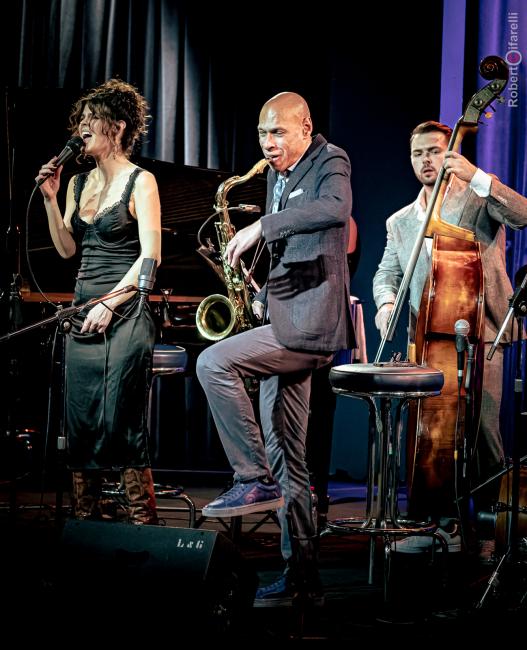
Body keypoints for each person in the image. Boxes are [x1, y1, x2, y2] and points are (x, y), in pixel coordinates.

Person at [196, 91, 354, 605]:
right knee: (291, 457)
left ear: (305, 127)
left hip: (311, 327)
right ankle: (302, 576)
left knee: (213, 360)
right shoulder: (275, 177)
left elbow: (334, 211)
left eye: (279, 132)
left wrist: (261, 226)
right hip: (287, 313)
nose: (269, 143)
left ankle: (250, 476)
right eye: (263, 134)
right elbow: (296, 254)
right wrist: (261, 292)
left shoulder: (330, 160)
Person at [373, 120, 527, 551]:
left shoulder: (477, 198)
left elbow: (523, 215)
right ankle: (442, 524)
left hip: (482, 334)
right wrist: (386, 303)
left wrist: (477, 176)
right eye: (419, 153)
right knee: (433, 439)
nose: (427, 160)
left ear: (451, 153)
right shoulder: (400, 221)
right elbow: (387, 273)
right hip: (429, 342)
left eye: (436, 151)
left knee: (483, 434)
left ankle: (498, 532)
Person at [36, 79, 162, 525]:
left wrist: (110, 303)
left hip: (125, 307)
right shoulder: (77, 183)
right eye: (80, 121)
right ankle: (86, 527)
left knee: (121, 415)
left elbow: (151, 256)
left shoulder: (141, 182)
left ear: (118, 127)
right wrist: (52, 201)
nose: (82, 128)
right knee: (82, 419)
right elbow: (68, 250)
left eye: (92, 121)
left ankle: (141, 524)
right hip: (82, 305)